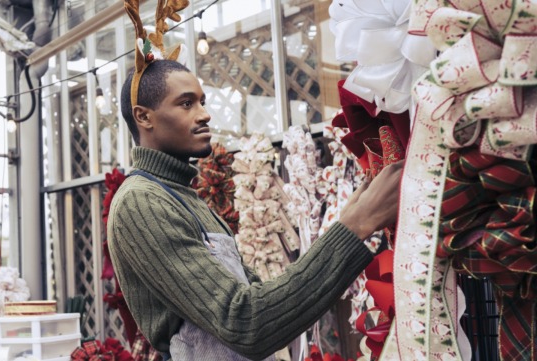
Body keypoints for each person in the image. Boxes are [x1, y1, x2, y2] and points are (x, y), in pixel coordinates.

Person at [106, 59, 403, 361]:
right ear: (144, 117)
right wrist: (355, 227)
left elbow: (264, 306)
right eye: (186, 104)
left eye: (203, 102)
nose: (205, 114)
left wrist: (347, 223)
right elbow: (246, 323)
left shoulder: (186, 197)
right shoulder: (141, 202)